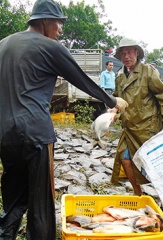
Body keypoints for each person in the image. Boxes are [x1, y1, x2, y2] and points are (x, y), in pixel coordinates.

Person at [0, 0, 128, 239]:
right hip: (35, 133)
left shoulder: (3, 45)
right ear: (45, 21)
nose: (60, 29)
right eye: (58, 23)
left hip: (5, 134)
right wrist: (112, 101)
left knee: (14, 196)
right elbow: (81, 79)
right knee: (41, 205)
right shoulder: (51, 47)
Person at [110, 38, 163, 196]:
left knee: (155, 166)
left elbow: (162, 94)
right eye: (123, 53)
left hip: (147, 127)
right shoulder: (119, 76)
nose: (126, 56)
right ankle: (137, 193)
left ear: (137, 53)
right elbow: (116, 98)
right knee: (126, 160)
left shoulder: (148, 71)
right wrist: (113, 111)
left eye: (129, 52)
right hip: (129, 128)